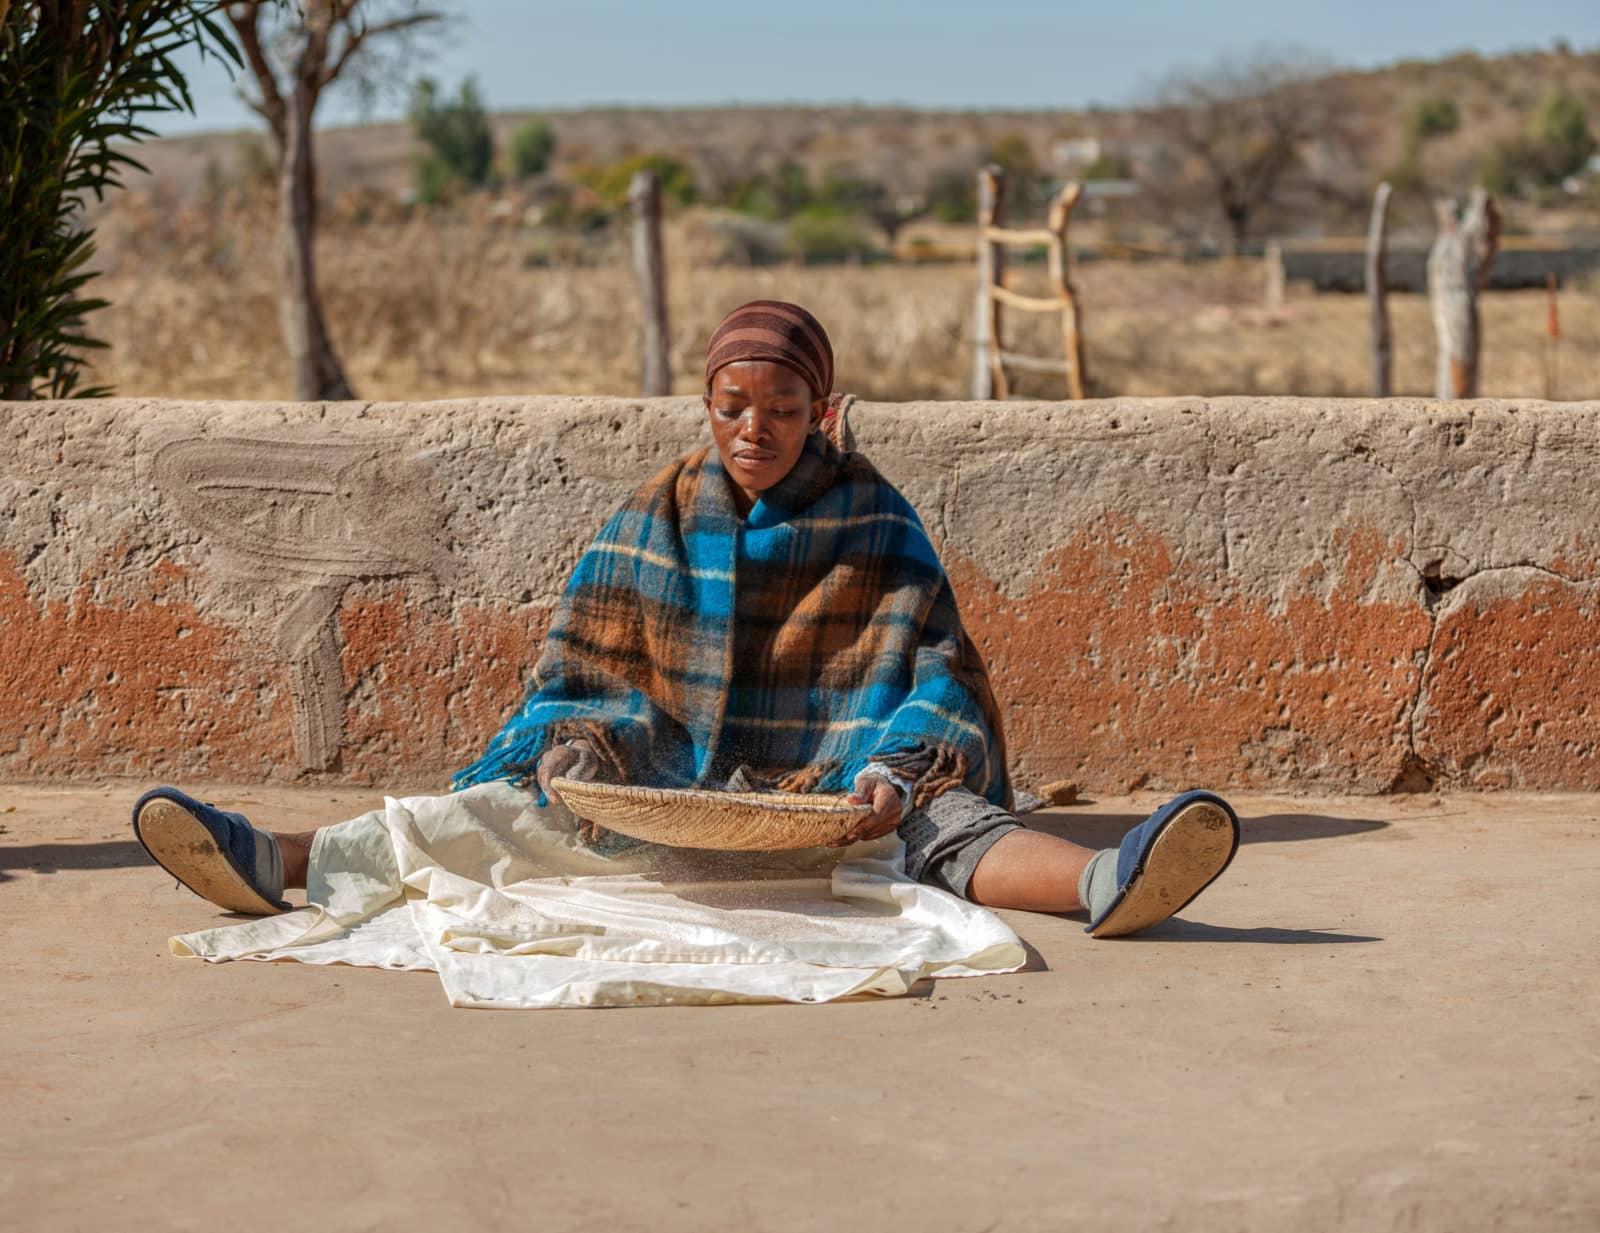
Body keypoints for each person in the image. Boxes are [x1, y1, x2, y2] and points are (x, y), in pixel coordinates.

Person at [132, 300, 1238, 940]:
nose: (756, 430)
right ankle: (265, 858)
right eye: (732, 409)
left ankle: (1108, 884)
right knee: (497, 815)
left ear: (824, 413)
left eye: (785, 411)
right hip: (656, 783)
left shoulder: (875, 519)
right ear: (704, 408)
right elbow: (579, 673)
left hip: (835, 789)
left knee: (945, 834)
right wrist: (571, 753)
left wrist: (895, 772)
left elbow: (937, 668)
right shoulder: (648, 517)